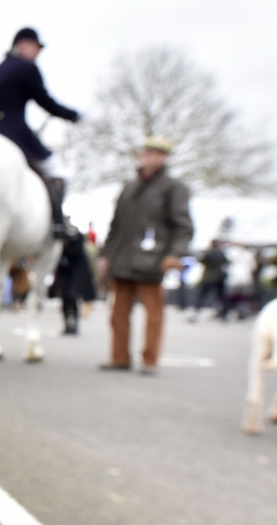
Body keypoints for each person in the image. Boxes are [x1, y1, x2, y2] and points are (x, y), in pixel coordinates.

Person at [96, 135, 194, 374]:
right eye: (146, 151)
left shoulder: (173, 187)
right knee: (118, 314)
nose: (147, 155)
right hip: (123, 258)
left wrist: (174, 254)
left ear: (164, 157)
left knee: (153, 315)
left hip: (153, 260)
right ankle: (119, 358)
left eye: (154, 152)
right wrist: (105, 255)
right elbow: (115, 225)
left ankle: (149, 360)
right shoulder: (129, 187)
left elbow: (183, 226)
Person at [0, 26, 81, 234]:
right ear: (22, 45)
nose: (38, 53)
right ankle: (57, 223)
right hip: (13, 134)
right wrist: (74, 115)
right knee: (56, 169)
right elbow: (46, 102)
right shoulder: (26, 68)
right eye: (36, 48)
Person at [49, 219, 96, 335]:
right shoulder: (60, 240)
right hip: (64, 273)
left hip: (75, 273)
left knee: (71, 296)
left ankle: (74, 323)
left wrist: (65, 246)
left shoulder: (76, 237)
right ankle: (67, 324)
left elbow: (76, 253)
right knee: (64, 298)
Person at [189, 239, 228, 322]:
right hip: (210, 277)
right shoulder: (208, 253)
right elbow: (201, 261)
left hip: (217, 278)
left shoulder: (220, 253)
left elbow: (226, 261)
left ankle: (222, 314)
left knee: (220, 297)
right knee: (202, 296)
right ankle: (196, 313)